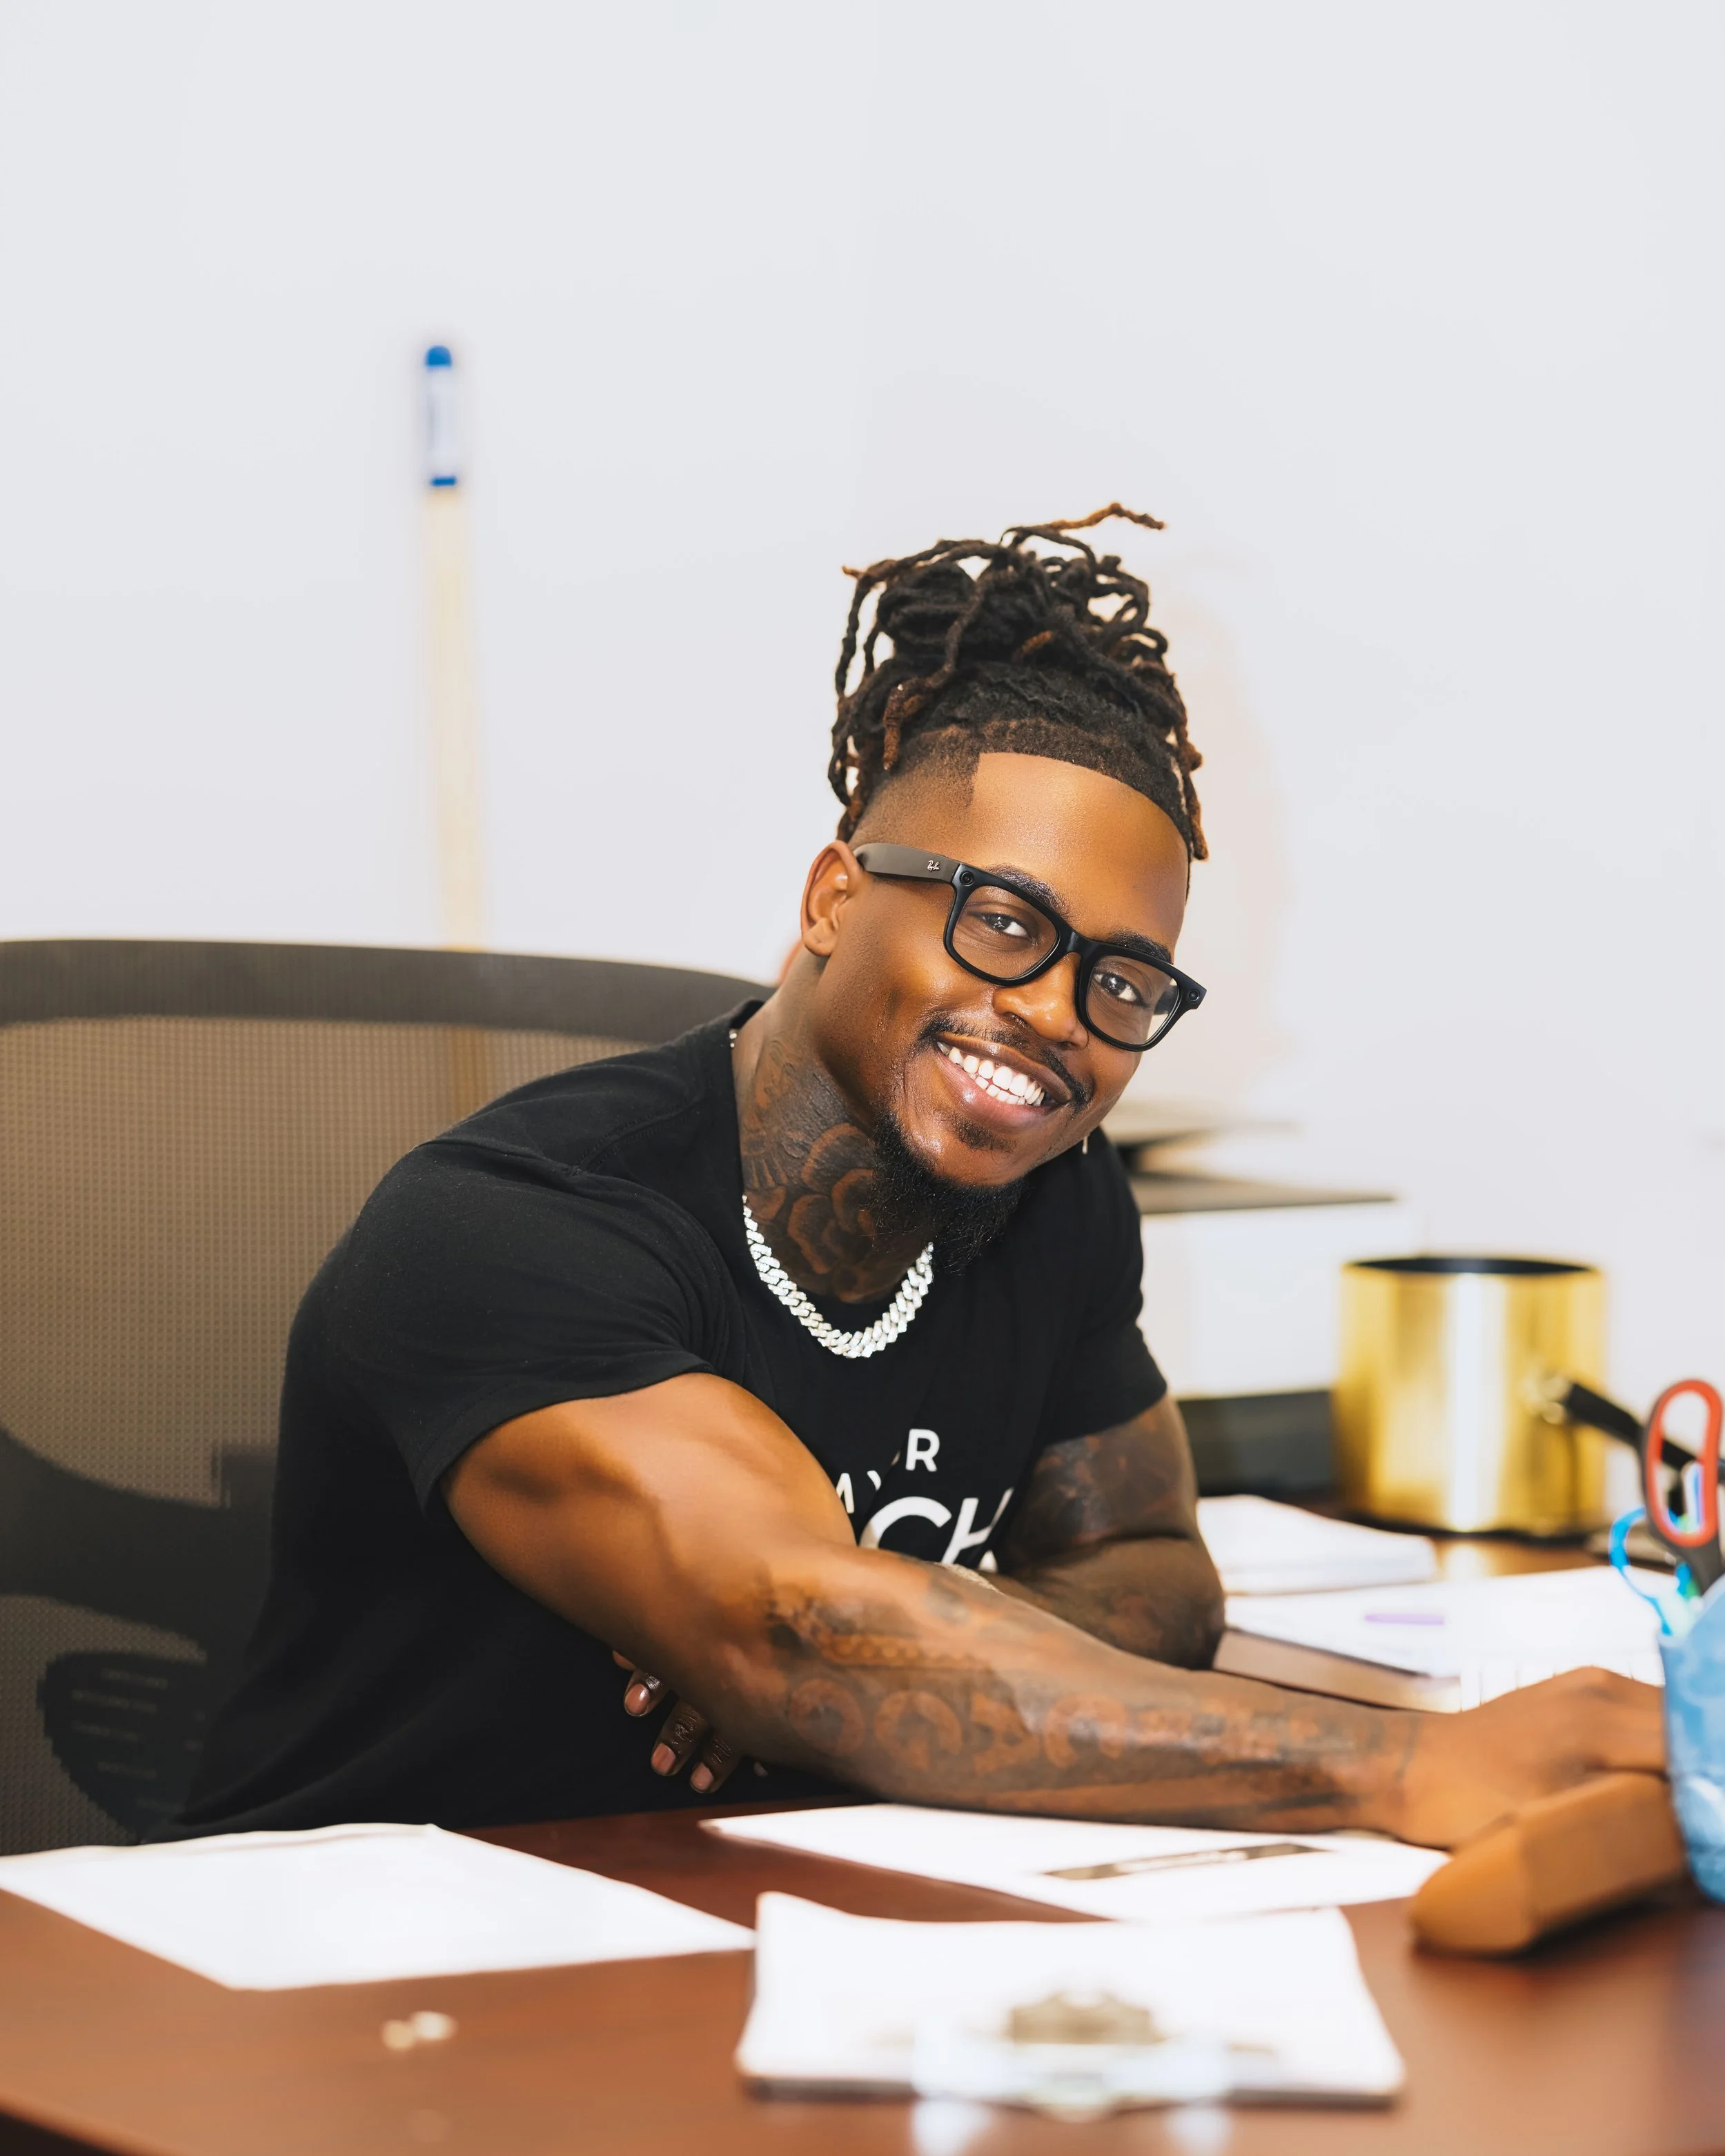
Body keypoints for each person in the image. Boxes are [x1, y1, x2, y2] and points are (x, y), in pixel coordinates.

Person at [177, 506, 1660, 1842]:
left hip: (759, 1924)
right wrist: (1400, 1767)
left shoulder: (1055, 1202)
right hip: (350, 1954)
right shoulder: (513, 1225)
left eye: (1122, 982)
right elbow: (789, 1630)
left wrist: (883, 1663)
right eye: (1003, 923)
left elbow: (1152, 1568)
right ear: (835, 896)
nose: (1055, 1016)